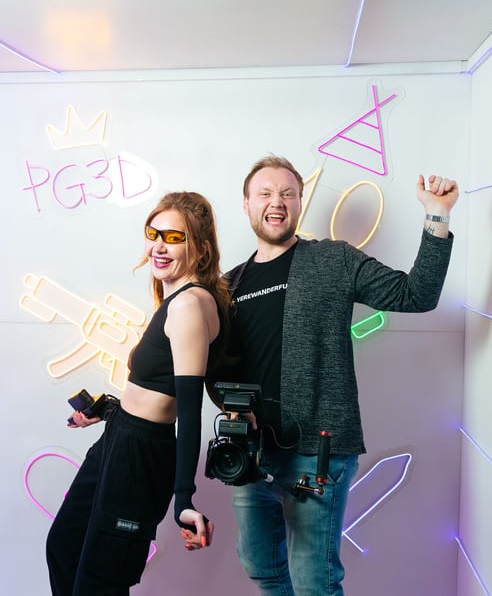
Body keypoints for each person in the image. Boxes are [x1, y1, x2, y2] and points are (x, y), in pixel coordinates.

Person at [195, 155, 458, 595]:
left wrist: (437, 215)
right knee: (261, 567)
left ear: (300, 203)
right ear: (246, 204)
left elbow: (416, 294)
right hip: (251, 454)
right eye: (265, 193)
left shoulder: (333, 259)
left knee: (314, 581)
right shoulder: (228, 285)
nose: (277, 202)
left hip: (317, 453)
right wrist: (230, 409)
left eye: (288, 194)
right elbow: (213, 365)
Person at [46, 191, 227, 595]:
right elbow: (155, 387)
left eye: (174, 238)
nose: (158, 246)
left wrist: (184, 499)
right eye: (153, 233)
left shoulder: (189, 306)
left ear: (200, 248)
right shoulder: (174, 299)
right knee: (64, 547)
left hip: (139, 456)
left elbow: (189, 412)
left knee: (100, 581)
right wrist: (109, 409)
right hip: (118, 437)